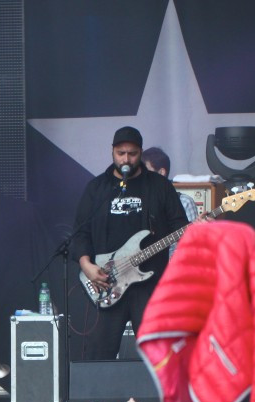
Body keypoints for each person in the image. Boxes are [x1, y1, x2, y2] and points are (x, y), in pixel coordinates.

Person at [71, 127, 189, 360]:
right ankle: (98, 399)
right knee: (98, 356)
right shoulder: (97, 188)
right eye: (121, 153)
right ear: (112, 152)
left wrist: (195, 230)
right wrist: (86, 265)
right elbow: (80, 232)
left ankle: (156, 398)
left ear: (140, 153)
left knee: (158, 356)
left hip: (149, 285)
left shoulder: (159, 186)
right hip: (107, 282)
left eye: (132, 154)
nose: (126, 159)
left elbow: (179, 226)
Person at [142, 146, 199, 222]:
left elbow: (191, 233)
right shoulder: (137, 200)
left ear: (161, 172)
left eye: (146, 171)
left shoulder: (184, 201)